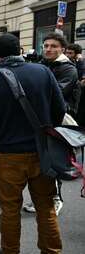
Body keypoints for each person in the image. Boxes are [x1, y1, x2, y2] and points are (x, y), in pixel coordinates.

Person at [0, 33, 65, 254]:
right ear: (20, 50)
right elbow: (60, 109)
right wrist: (46, 132)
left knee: (9, 210)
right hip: (41, 151)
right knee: (46, 208)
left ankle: (10, 251)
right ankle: (52, 251)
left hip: (9, 154)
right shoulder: (43, 72)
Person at [39, 32, 80, 215]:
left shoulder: (68, 69)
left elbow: (56, 93)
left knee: (54, 160)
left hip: (60, 121)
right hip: (45, 119)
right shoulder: (43, 65)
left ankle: (56, 199)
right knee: (42, 162)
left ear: (62, 49)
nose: (48, 49)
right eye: (46, 45)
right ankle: (44, 198)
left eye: (53, 46)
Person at [64, 43, 85, 125]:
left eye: (70, 53)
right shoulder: (67, 63)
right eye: (66, 52)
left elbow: (83, 82)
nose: (67, 55)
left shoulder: (81, 63)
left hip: (81, 98)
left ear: (77, 54)